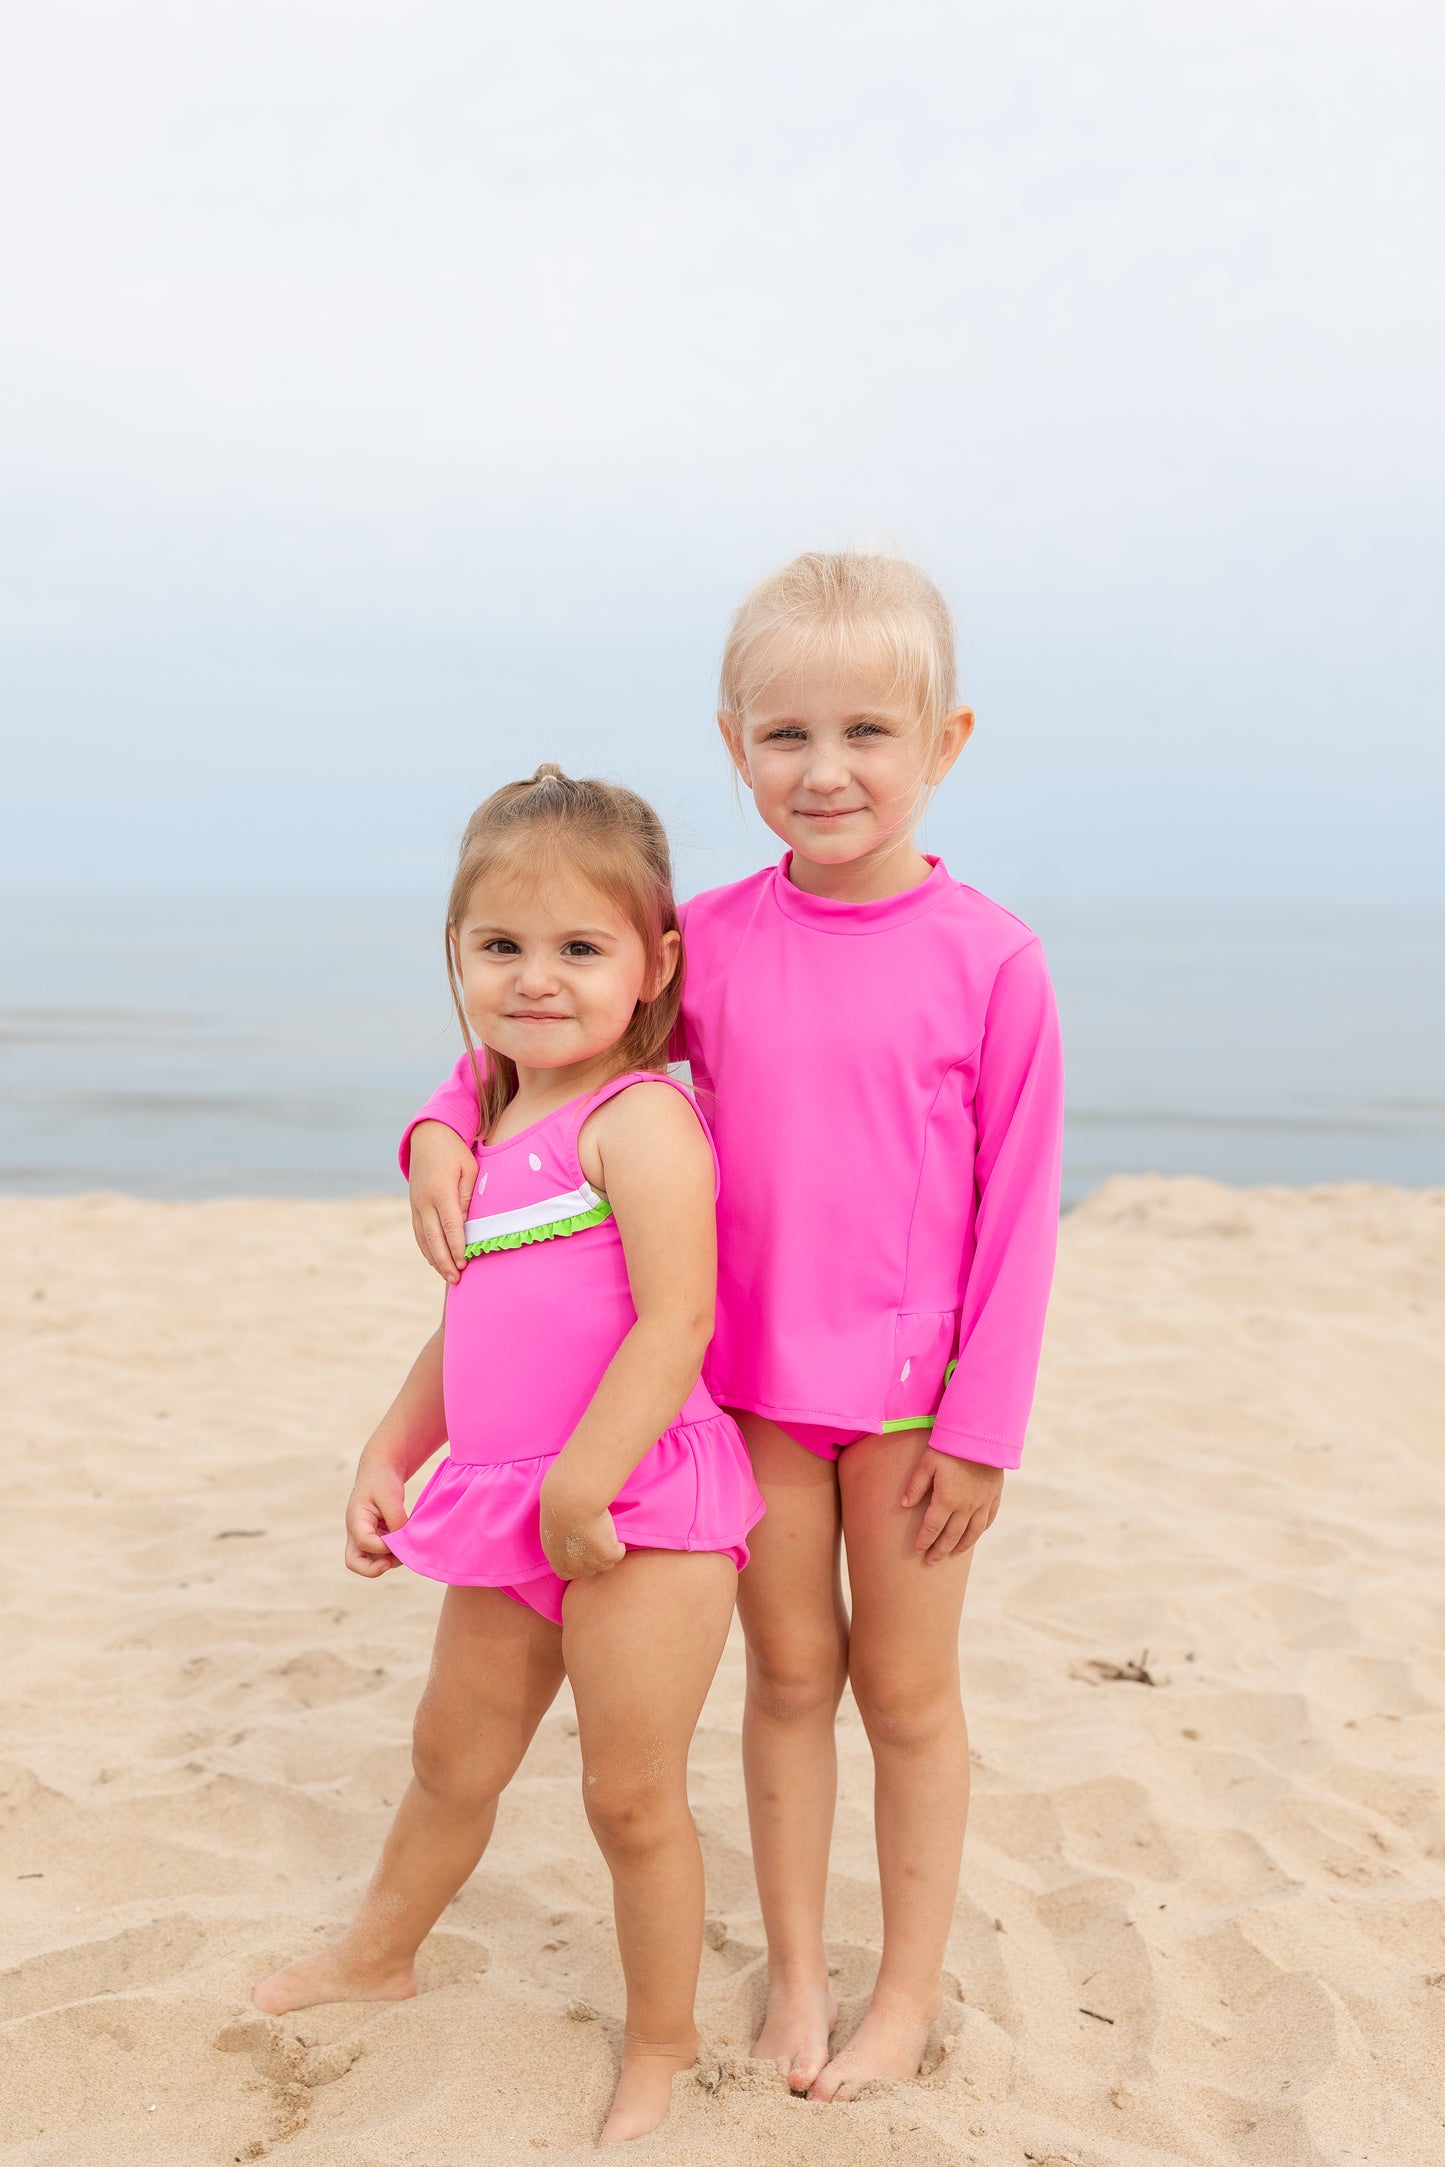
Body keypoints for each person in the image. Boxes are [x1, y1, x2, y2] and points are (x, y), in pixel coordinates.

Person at [404, 555, 1064, 2102]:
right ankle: (791, 1973)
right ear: (731, 745)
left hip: (911, 1417)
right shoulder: (702, 938)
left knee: (905, 1698)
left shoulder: (991, 959)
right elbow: (551, 1043)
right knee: (785, 1684)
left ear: (944, 742)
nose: (824, 772)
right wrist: (435, 1125)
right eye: (784, 737)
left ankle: (899, 1992)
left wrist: (979, 1429)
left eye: (866, 734)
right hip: (746, 1400)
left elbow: (1022, 1214)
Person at [254, 766, 763, 2148]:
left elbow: (679, 1318)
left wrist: (584, 1482)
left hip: (633, 1505)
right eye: (501, 948)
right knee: (449, 1758)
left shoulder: (636, 1119)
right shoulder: (487, 1124)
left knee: (628, 1795)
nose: (537, 979)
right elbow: (468, 1322)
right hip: (501, 1506)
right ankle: (380, 1953)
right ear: (459, 958)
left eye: (578, 948)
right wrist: (388, 1448)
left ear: (652, 962)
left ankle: (661, 2041)